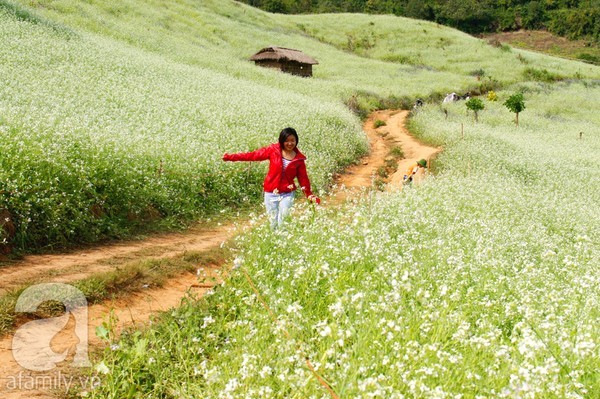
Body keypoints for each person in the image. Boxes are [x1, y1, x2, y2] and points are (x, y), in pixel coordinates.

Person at [222, 127, 320, 229]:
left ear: (296, 141)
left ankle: (283, 243)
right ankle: (275, 243)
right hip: (271, 193)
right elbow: (253, 155)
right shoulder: (273, 150)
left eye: (292, 140)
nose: (290, 143)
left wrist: (309, 195)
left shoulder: (299, 159)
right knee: (273, 224)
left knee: (283, 221)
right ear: (281, 141)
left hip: (287, 193)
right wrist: (231, 157)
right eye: (287, 141)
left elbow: (303, 179)